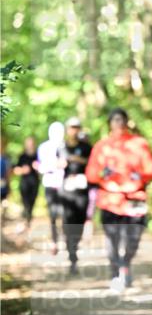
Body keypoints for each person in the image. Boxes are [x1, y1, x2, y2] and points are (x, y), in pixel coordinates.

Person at [85, 108, 152, 292]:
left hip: (135, 199)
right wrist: (104, 174)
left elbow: (151, 170)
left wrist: (138, 176)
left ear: (126, 122)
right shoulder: (102, 146)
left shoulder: (139, 143)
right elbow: (91, 174)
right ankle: (116, 273)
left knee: (134, 238)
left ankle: (125, 264)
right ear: (109, 123)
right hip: (110, 199)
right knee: (112, 240)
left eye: (121, 119)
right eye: (114, 119)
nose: (118, 123)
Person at [60, 117, 91, 275]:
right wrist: (61, 164)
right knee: (67, 222)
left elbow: (93, 164)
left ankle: (75, 247)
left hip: (82, 189)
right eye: (71, 127)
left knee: (79, 221)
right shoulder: (61, 147)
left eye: (76, 127)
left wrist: (79, 160)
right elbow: (52, 164)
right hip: (66, 191)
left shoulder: (86, 147)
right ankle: (72, 255)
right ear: (67, 129)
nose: (74, 130)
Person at [36, 121, 65, 253]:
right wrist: (55, 165)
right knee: (53, 214)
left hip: (64, 184)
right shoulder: (43, 147)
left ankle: (66, 238)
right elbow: (41, 167)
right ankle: (54, 241)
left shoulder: (65, 146)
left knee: (64, 213)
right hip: (49, 183)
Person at [14, 136, 40, 230]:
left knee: (32, 202)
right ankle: (26, 218)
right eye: (28, 143)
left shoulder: (38, 155)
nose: (30, 145)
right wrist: (23, 170)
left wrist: (38, 167)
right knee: (25, 202)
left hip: (35, 182)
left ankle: (28, 218)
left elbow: (43, 168)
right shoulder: (22, 156)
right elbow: (16, 169)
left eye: (31, 143)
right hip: (24, 183)